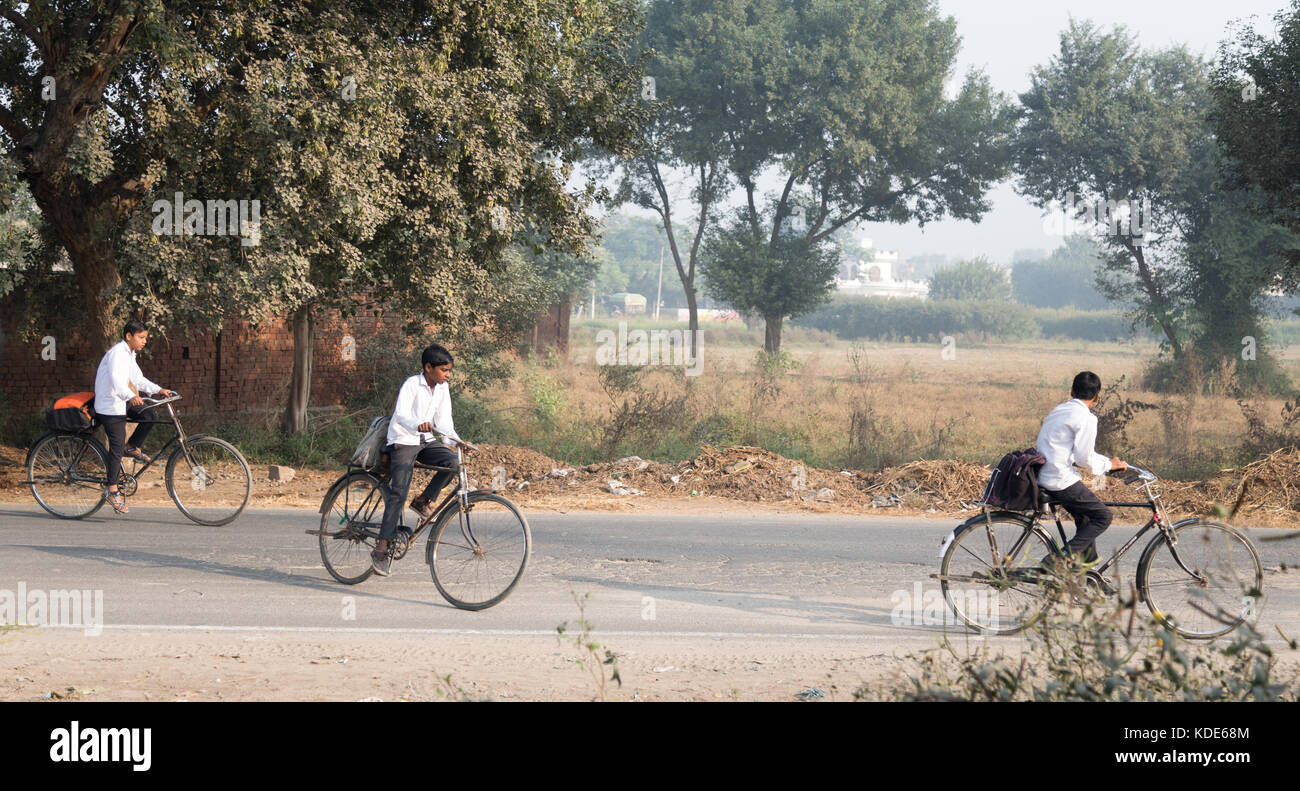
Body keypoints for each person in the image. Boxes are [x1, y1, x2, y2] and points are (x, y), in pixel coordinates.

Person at [371, 343, 474, 576]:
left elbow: (444, 422)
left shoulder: (442, 389)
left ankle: (424, 500)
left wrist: (458, 442)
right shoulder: (411, 384)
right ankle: (381, 549)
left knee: (453, 464)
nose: (447, 375)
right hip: (404, 440)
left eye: (449, 371)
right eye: (444, 370)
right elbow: (401, 415)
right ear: (428, 367)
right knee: (398, 493)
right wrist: (417, 423)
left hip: (425, 440)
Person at [1035, 371, 1126, 570]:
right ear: (1097, 397)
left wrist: (1107, 461)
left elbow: (1076, 453)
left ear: (1072, 391)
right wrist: (1110, 465)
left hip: (1044, 474)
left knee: (1086, 520)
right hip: (1059, 479)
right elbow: (1084, 458)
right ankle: (1058, 559)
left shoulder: (1059, 410)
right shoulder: (1086, 418)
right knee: (1103, 517)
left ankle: (1090, 577)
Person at [93, 319, 175, 514]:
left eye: (145, 338)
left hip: (121, 401)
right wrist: (131, 395)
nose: (144, 341)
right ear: (129, 336)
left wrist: (158, 389)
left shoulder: (130, 354)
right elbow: (116, 381)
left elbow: (137, 379)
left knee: (149, 415)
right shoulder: (116, 354)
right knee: (116, 447)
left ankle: (132, 447)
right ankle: (112, 491)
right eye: (141, 337)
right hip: (108, 406)